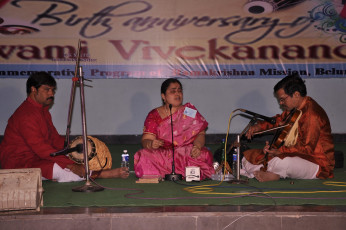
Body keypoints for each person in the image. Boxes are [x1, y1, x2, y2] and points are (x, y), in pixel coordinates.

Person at [0, 71, 129, 182]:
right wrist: (71, 165)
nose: (51, 94)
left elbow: (54, 139)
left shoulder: (42, 111)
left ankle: (85, 170)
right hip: (19, 164)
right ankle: (102, 175)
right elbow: (41, 149)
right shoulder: (26, 115)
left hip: (37, 157)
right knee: (59, 169)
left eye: (53, 90)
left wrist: (72, 149)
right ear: (34, 89)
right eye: (47, 90)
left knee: (74, 158)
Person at [241, 73, 335, 182]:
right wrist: (259, 126)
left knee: (283, 162)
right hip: (295, 156)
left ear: (296, 94)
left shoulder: (312, 115)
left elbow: (306, 149)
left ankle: (273, 174)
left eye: (282, 99)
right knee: (249, 157)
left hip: (317, 163)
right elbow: (278, 121)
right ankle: (268, 172)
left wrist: (280, 152)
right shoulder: (295, 110)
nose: (281, 103)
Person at [134, 78, 215, 180]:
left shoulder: (189, 111)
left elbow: (200, 134)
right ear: (163, 96)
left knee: (204, 154)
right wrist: (151, 144)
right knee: (144, 155)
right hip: (162, 154)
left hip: (185, 153)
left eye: (179, 91)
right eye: (173, 91)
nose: (177, 94)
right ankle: (180, 172)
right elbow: (146, 140)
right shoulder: (154, 114)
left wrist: (197, 147)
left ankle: (176, 171)